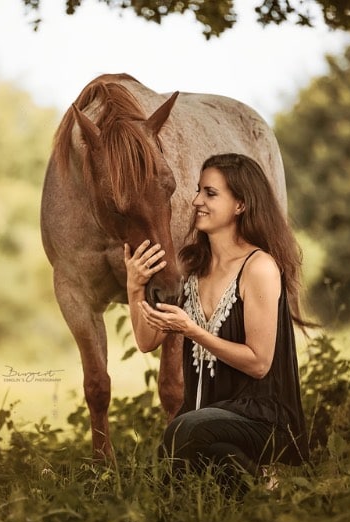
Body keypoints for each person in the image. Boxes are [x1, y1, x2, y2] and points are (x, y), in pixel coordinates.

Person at [123, 152, 311, 490]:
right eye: (198, 191)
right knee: (201, 454)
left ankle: (263, 480)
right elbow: (146, 340)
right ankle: (265, 489)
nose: (196, 201)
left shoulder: (259, 267)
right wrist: (134, 286)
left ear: (240, 204)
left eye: (210, 193)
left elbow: (259, 363)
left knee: (182, 434)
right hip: (206, 422)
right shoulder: (192, 267)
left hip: (262, 421)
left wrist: (193, 331)